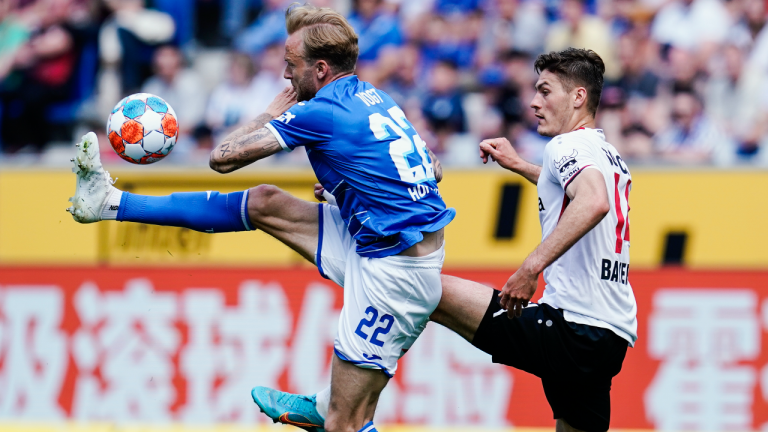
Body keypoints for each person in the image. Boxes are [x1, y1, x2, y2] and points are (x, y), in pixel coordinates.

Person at [66, 5, 454, 432]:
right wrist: (352, 187)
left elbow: (222, 157)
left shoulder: (318, 111)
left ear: (321, 69)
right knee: (266, 202)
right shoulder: (374, 96)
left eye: (291, 65)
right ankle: (108, 202)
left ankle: (323, 411)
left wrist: (272, 110)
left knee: (345, 424)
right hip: (378, 240)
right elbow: (432, 168)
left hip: (393, 274)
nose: (285, 76)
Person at [255, 48, 636, 432]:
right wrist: (521, 166)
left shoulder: (565, 146)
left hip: (571, 327)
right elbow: (576, 191)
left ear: (578, 97)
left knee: (419, 286)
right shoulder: (605, 151)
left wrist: (529, 268)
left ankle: (336, 407)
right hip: (608, 334)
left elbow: (592, 201)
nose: (534, 101)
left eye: (545, 91)